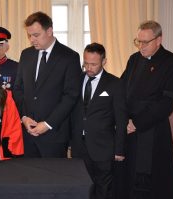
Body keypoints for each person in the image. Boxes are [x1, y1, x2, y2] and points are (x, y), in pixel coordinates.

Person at [121, 20, 173, 199]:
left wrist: (137, 123)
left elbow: (166, 103)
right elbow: (122, 89)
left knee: (149, 179)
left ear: (158, 40)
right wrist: (123, 118)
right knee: (129, 177)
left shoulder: (172, 62)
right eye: (138, 41)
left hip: (152, 128)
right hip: (129, 126)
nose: (141, 46)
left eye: (145, 42)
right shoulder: (134, 59)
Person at [13, 11, 82, 157]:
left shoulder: (69, 57)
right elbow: (18, 89)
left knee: (53, 179)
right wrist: (24, 117)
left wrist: (48, 124)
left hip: (54, 135)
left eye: (36, 35)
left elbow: (70, 96)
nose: (32, 40)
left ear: (49, 31)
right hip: (27, 134)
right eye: (29, 35)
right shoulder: (26, 55)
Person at [70, 43, 128, 199]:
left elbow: (121, 119)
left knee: (103, 188)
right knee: (81, 187)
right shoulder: (76, 80)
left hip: (103, 148)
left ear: (104, 61)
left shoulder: (115, 84)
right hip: (78, 147)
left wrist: (119, 149)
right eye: (86, 63)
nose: (89, 67)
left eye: (94, 64)